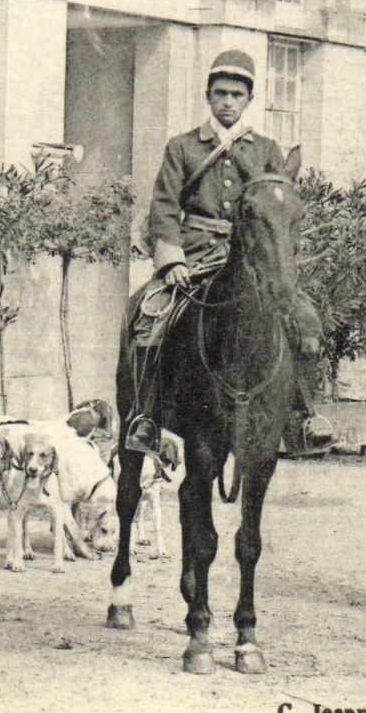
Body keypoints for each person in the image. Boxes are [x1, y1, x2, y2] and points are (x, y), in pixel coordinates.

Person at [125, 48, 332, 456]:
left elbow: (279, 209)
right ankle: (148, 416)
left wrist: (280, 263)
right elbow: (164, 208)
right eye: (220, 93)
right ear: (207, 96)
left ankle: (304, 415)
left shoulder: (267, 151)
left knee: (304, 320)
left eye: (237, 95)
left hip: (255, 260)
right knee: (152, 316)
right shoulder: (183, 147)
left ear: (249, 101)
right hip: (195, 255)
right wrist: (171, 260)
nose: (227, 102)